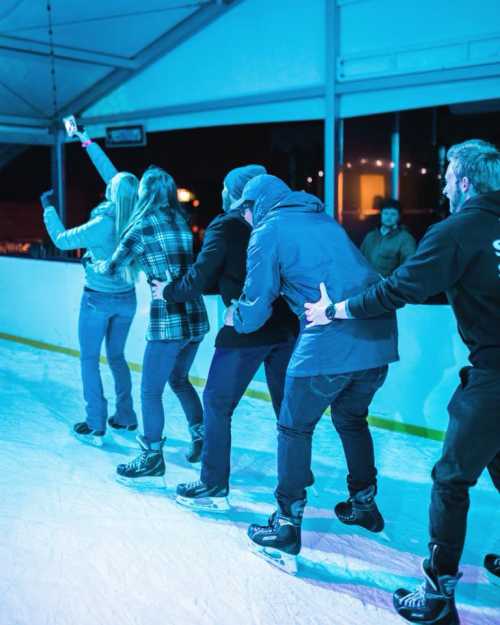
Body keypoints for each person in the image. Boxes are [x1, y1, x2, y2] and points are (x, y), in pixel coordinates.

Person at [304, 140, 500, 623]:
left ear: (466, 182)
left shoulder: (457, 229)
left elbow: (400, 288)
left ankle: (437, 594)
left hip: (495, 375)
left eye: (448, 174)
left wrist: (336, 309)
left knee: (451, 480)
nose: (444, 182)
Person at [224, 174, 398, 572]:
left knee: (293, 427)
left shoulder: (268, 229)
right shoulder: (322, 219)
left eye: (245, 211)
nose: (246, 219)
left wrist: (238, 317)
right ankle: (363, 504)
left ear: (255, 205)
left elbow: (257, 300)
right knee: (352, 419)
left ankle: (286, 523)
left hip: (330, 342)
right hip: (378, 339)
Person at [150, 165, 298, 510]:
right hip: (286, 327)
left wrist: (168, 291)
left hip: (246, 327)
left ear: (234, 191)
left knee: (217, 402)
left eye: (223, 187)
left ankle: (213, 483)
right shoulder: (278, 220)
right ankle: (297, 477)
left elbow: (202, 276)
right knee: (287, 409)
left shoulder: (227, 223)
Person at [94, 166, 209, 482]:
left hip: (168, 321)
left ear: (144, 193)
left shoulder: (140, 226)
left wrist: (94, 262)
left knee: (149, 391)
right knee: (180, 379)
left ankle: (151, 456)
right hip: (195, 319)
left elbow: (113, 267)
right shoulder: (182, 223)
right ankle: (203, 438)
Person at [41, 131, 139, 446]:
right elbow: (116, 178)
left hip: (98, 299)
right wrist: (86, 142)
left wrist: (49, 210)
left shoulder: (102, 225)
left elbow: (62, 240)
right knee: (117, 357)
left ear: (111, 194)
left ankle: (95, 421)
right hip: (127, 299)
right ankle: (126, 416)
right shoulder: (135, 213)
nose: (106, 183)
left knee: (89, 360)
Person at [360, 198, 417, 277]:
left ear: (399, 217)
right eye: (385, 213)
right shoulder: (370, 236)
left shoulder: (406, 239)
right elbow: (359, 260)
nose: (388, 217)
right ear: (381, 214)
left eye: (393, 214)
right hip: (367, 284)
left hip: (389, 286)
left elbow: (409, 267)